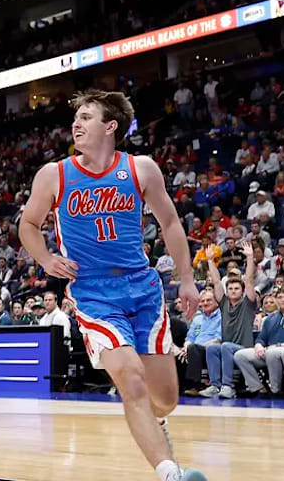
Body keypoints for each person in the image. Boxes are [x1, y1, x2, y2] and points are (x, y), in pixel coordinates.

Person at [18, 90, 204, 481]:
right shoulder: (55, 174)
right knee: (130, 377)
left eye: (87, 116)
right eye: (76, 117)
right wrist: (47, 259)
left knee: (165, 399)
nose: (77, 123)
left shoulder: (141, 168)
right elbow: (28, 225)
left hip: (143, 288)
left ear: (111, 125)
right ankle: (170, 472)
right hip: (93, 292)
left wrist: (186, 279)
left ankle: (156, 425)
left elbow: (171, 224)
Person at [200, 249, 259, 398]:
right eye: (230, 288)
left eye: (237, 288)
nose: (233, 291)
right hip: (227, 347)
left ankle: (228, 386)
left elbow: (250, 280)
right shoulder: (224, 302)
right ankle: (214, 385)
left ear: (243, 291)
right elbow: (216, 281)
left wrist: (250, 257)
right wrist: (210, 260)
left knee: (225, 346)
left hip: (244, 348)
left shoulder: (248, 303)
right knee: (212, 348)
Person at [233, 285, 284, 397]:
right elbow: (262, 338)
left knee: (273, 352)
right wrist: (258, 345)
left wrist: (283, 345)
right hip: (270, 352)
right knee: (240, 355)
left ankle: (275, 390)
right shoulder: (270, 319)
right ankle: (258, 388)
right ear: (276, 300)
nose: (283, 299)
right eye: (280, 297)